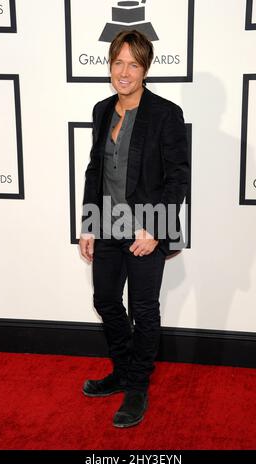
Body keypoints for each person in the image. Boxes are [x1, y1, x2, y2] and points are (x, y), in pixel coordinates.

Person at [79, 29, 189, 428]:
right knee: (106, 300)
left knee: (144, 309)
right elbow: (95, 170)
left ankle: (138, 385)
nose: (124, 72)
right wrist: (89, 224)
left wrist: (155, 228)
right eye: (118, 63)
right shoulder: (101, 110)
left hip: (147, 228)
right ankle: (124, 370)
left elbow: (178, 178)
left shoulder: (165, 114)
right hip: (107, 224)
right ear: (110, 65)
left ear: (145, 69)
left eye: (133, 64)